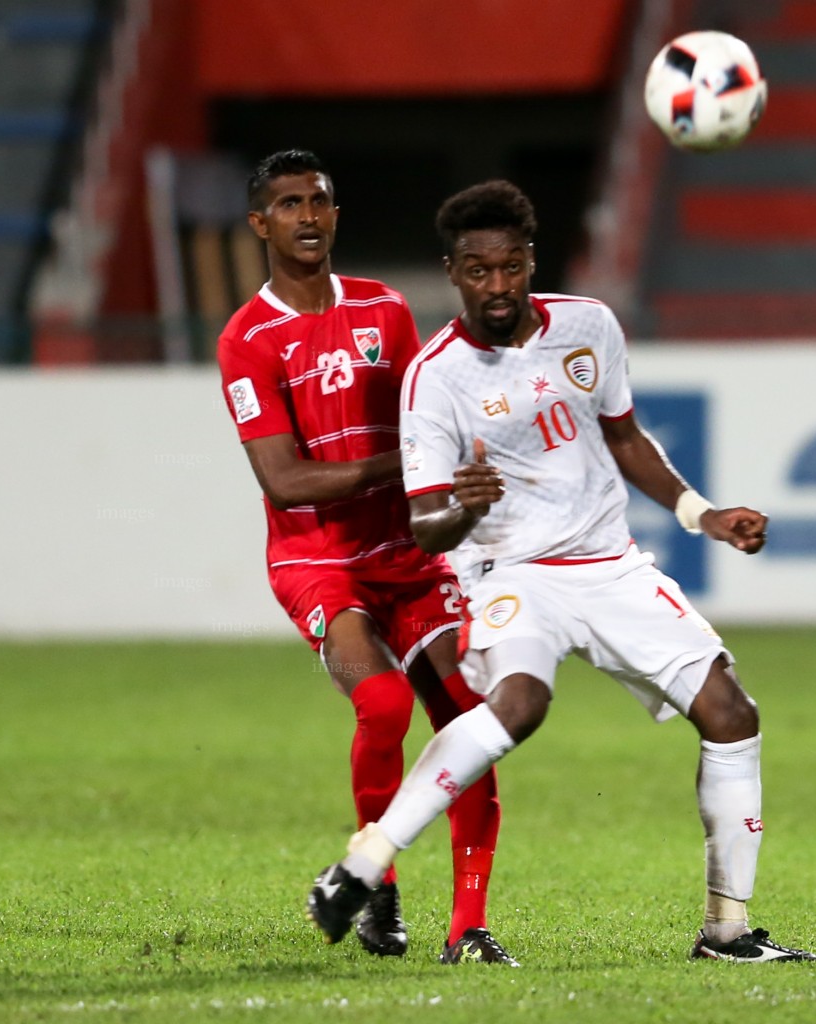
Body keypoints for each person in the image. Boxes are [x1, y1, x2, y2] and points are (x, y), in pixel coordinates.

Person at [304, 180, 816, 964]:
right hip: (512, 572)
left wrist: (702, 514)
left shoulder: (589, 326)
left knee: (732, 713)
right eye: (479, 271)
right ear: (454, 271)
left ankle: (726, 931)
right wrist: (467, 509)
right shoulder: (435, 376)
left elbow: (626, 439)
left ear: (530, 261)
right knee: (519, 706)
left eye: (511, 266)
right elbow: (424, 522)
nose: (498, 285)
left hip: (611, 567)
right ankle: (365, 862)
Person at [218, 151, 515, 964]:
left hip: (407, 553)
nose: (308, 215)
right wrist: (406, 465)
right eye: (288, 204)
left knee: (472, 720)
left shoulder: (385, 310)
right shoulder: (248, 338)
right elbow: (284, 481)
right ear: (260, 223)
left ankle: (469, 926)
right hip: (318, 559)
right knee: (383, 708)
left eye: (320, 200)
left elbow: (431, 414)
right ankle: (378, 888)